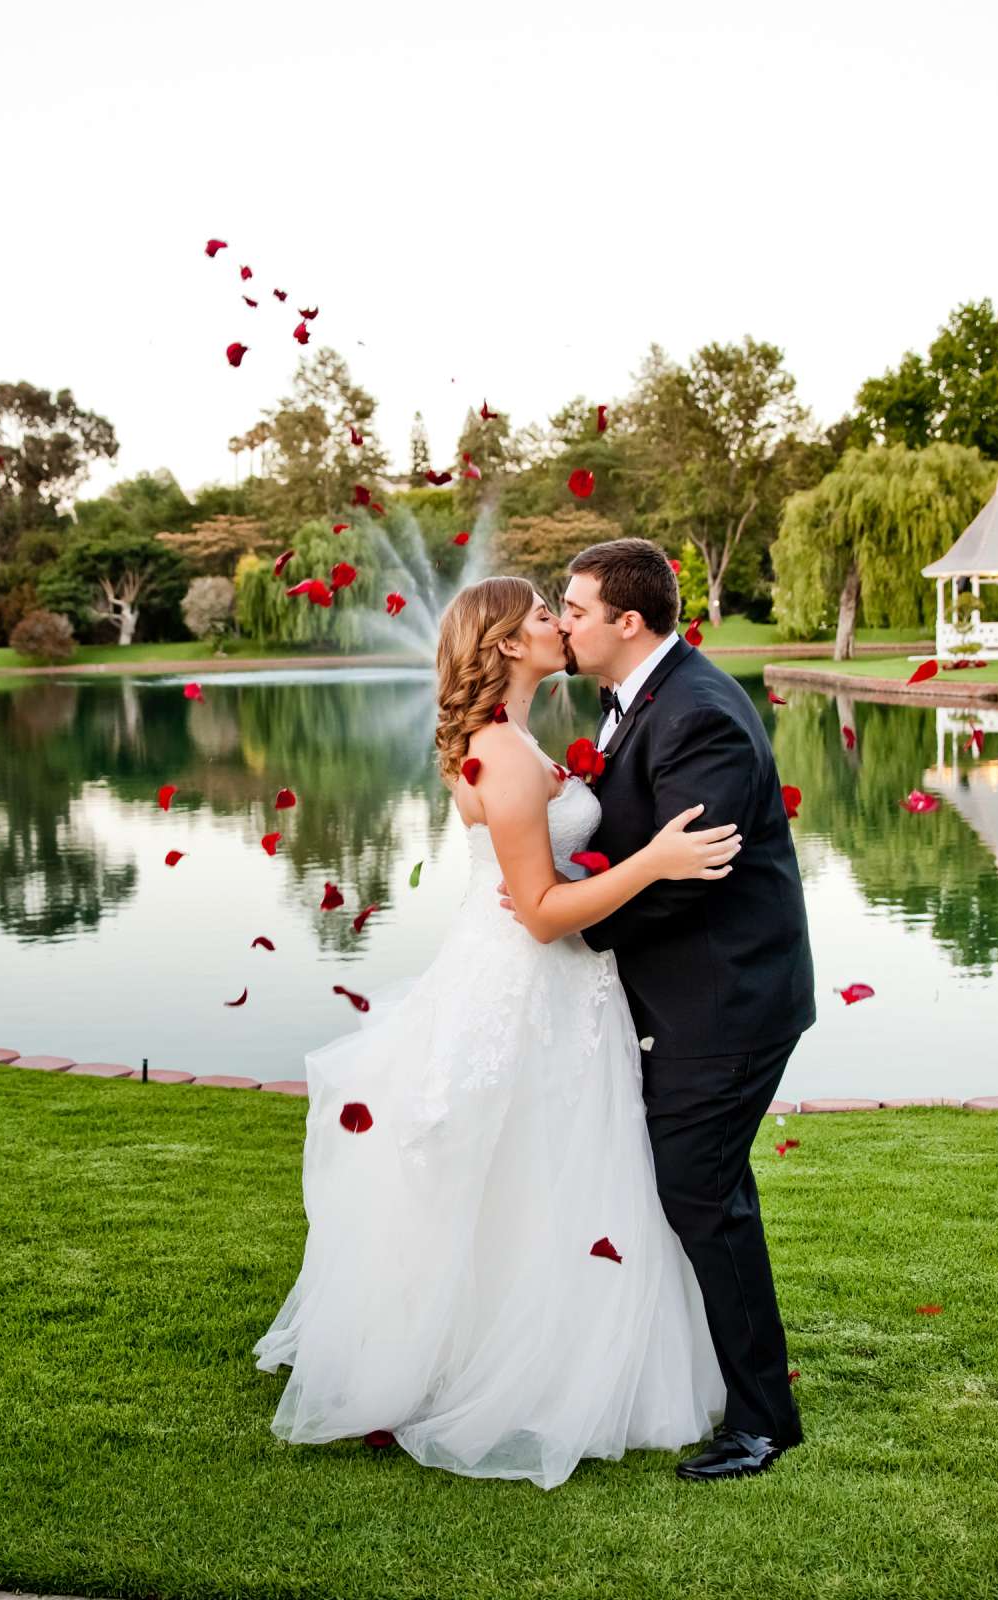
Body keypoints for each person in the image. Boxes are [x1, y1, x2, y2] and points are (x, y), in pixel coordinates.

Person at [253, 575, 739, 1490]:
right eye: (547, 615)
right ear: (510, 643)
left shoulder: (511, 742)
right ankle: (519, 1373)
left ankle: (544, 1351)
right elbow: (546, 913)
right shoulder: (505, 758)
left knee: (540, 1166)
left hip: (542, 984)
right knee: (538, 1165)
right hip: (526, 983)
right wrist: (658, 860)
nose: (563, 623)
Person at [541, 537, 816, 1480]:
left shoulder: (696, 714)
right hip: (692, 991)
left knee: (700, 1190)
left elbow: (692, 876)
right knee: (701, 1189)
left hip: (727, 996)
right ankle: (734, 1390)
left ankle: (760, 1423)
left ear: (628, 621)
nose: (562, 621)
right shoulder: (645, 697)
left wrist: (565, 927)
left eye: (573, 609)